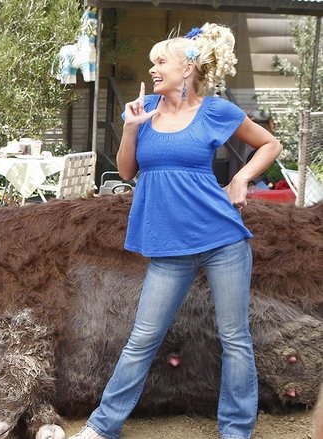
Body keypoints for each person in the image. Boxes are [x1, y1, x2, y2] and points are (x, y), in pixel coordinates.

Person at [71, 23, 282, 439]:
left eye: (160, 61)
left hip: (223, 239)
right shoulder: (143, 109)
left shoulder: (215, 110)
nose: (153, 69)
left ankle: (236, 431)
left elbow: (269, 144)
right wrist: (131, 128)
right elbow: (127, 171)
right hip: (169, 247)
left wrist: (241, 180)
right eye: (152, 63)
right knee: (142, 338)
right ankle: (102, 427)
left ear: (187, 69)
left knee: (235, 337)